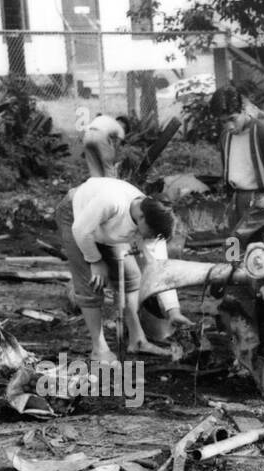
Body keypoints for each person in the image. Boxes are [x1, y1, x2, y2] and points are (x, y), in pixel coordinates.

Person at [55, 176, 176, 365]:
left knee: (131, 279)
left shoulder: (152, 214)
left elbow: (161, 268)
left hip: (105, 228)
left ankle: (137, 340)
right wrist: (95, 261)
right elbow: (80, 230)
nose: (148, 239)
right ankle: (99, 349)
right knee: (92, 282)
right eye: (149, 234)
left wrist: (173, 309)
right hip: (76, 217)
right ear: (141, 218)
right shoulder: (112, 201)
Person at [207, 87, 264, 223]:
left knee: (258, 243)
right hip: (237, 201)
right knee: (235, 242)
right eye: (223, 122)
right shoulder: (225, 137)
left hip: (263, 202)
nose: (229, 126)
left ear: (243, 110)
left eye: (232, 119)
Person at [81, 113, 130, 179]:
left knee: (94, 170)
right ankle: (110, 187)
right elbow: (116, 147)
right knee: (109, 168)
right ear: (125, 126)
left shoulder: (108, 121)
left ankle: (96, 185)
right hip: (100, 135)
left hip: (87, 135)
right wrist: (114, 160)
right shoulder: (120, 129)